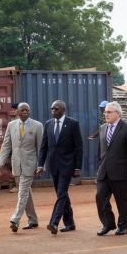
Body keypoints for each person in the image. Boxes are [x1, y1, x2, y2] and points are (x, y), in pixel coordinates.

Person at [36, 100, 84, 235]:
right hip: (53, 166)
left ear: (63, 110)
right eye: (51, 109)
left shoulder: (73, 124)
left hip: (68, 166)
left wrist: (77, 167)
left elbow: (78, 147)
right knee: (62, 194)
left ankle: (54, 223)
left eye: (55, 109)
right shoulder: (48, 124)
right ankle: (70, 223)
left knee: (61, 193)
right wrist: (40, 164)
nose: (53, 111)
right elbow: (44, 147)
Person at [0, 102, 44, 232]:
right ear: (17, 112)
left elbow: (42, 148)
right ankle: (33, 220)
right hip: (16, 165)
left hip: (30, 165)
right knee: (26, 193)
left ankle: (15, 219)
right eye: (22, 110)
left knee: (22, 192)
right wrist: (1, 163)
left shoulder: (37, 126)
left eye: (27, 110)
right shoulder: (11, 125)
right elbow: (6, 145)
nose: (25, 112)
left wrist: (41, 165)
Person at [95, 101, 127, 236]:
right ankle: (107, 223)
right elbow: (101, 151)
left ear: (118, 114)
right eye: (105, 112)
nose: (105, 114)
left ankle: (123, 225)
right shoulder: (102, 128)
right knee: (100, 197)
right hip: (104, 172)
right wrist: (99, 167)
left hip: (121, 172)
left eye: (109, 112)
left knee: (123, 200)